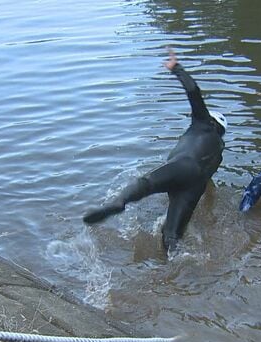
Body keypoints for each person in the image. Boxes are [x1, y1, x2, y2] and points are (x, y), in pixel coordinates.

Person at [83, 48, 227, 251]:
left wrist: (176, 68)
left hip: (180, 167)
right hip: (195, 187)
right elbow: (209, 186)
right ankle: (173, 275)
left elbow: (193, 92)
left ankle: (119, 202)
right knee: (171, 237)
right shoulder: (218, 153)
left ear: (212, 121)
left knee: (146, 183)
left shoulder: (202, 123)